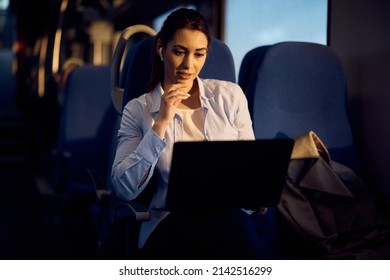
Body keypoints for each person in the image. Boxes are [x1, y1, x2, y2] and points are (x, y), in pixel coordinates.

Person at [111, 8, 275, 259]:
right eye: (179, 52)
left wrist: (254, 196)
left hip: (228, 220)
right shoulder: (138, 109)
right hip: (170, 225)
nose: (189, 65)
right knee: (239, 232)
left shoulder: (230, 97)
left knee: (239, 223)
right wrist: (161, 122)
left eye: (199, 54)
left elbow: (247, 170)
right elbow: (123, 187)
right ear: (161, 49)